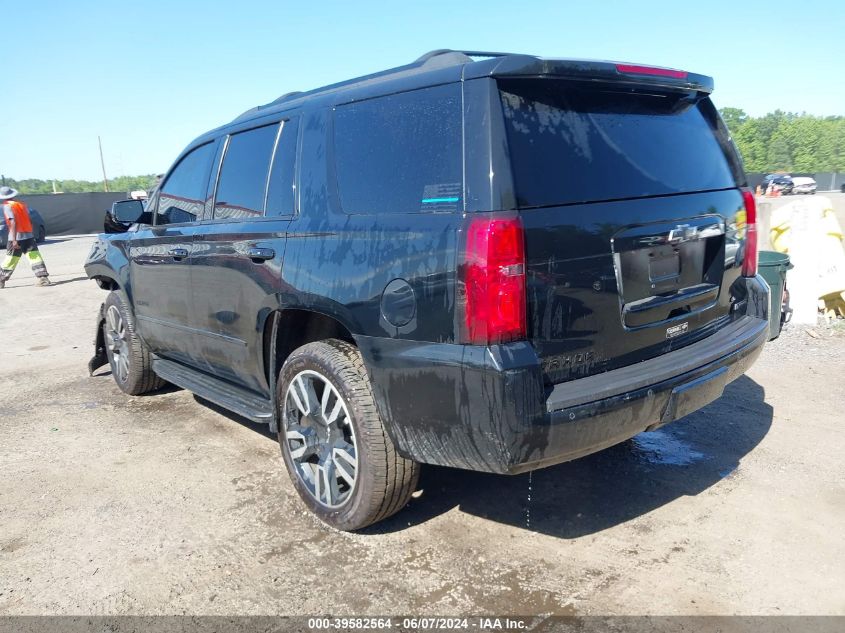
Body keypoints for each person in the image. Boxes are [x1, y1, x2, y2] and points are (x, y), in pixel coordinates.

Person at [0, 186, 51, 288]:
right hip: (28, 236)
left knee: (10, 259)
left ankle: (1, 280)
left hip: (16, 237)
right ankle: (43, 278)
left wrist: (14, 240)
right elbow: (29, 219)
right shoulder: (21, 205)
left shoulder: (7, 206)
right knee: (34, 257)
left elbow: (12, 221)